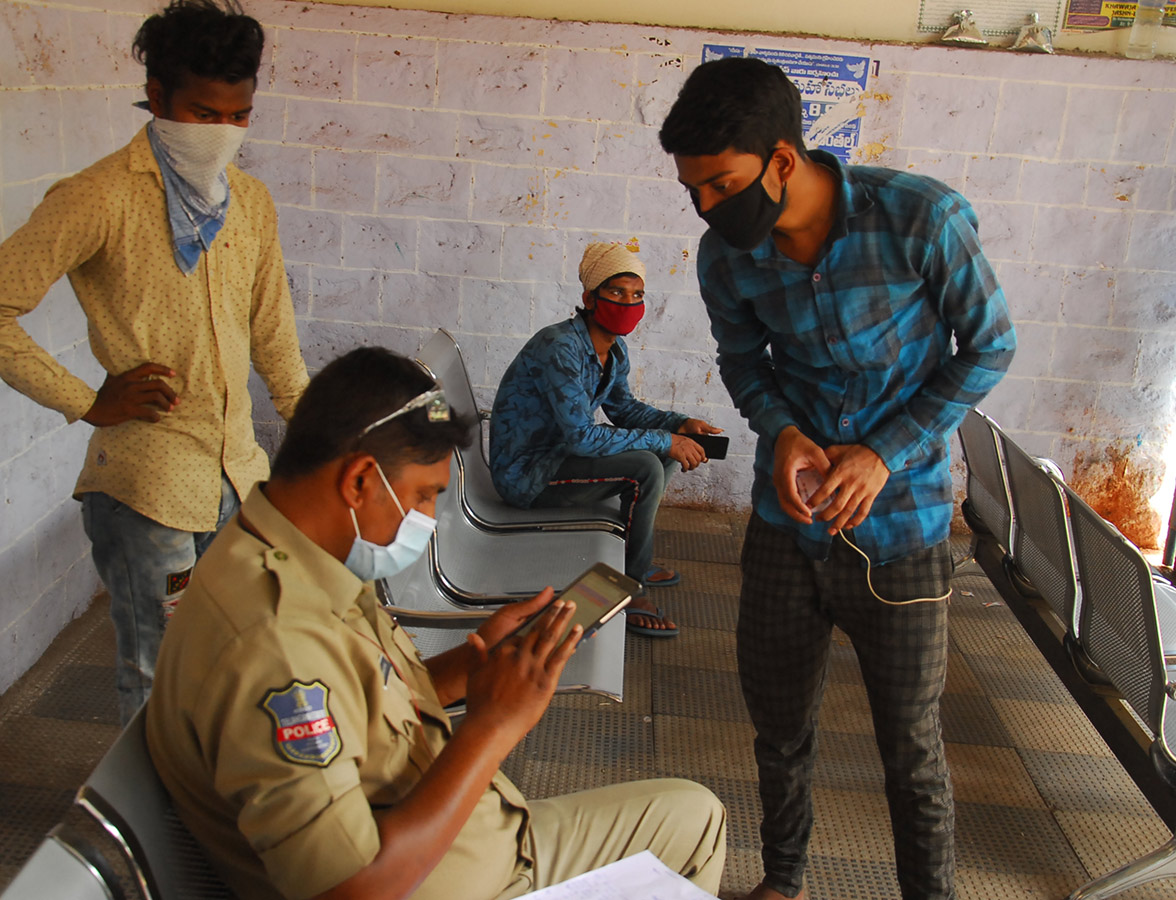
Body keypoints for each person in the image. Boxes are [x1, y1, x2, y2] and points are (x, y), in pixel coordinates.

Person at [146, 346, 727, 900]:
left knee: (691, 812)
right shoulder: (275, 648)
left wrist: (472, 662)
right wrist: (493, 729)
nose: (426, 519)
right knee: (696, 825)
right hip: (453, 878)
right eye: (424, 496)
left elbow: (370, 696)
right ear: (358, 481)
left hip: (465, 840)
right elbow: (348, 890)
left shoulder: (288, 554)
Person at [659, 58, 1016, 900]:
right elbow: (745, 367)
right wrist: (781, 433)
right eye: (694, 191)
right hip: (789, 527)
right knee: (779, 733)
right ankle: (782, 881)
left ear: (784, 160)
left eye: (723, 184)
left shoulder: (918, 221)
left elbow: (990, 345)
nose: (710, 207)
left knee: (911, 750)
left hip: (905, 534)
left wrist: (886, 449)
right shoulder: (727, 259)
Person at [0, 0, 308, 723]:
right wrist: (87, 400)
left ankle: (206, 807)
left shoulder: (249, 203)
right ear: (157, 97)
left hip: (237, 477)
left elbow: (274, 334)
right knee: (154, 675)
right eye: (202, 112)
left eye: (238, 116)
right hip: (146, 488)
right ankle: (148, 829)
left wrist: (315, 438)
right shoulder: (98, 197)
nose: (222, 133)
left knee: (237, 660)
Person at [488, 242, 721, 637]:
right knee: (647, 463)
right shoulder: (560, 347)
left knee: (658, 453)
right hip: (526, 473)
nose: (628, 303)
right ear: (589, 298)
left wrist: (679, 425)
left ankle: (636, 560)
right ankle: (629, 589)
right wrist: (663, 441)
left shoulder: (614, 350)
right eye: (616, 293)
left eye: (637, 295)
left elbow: (624, 409)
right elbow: (581, 437)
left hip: (558, 456)